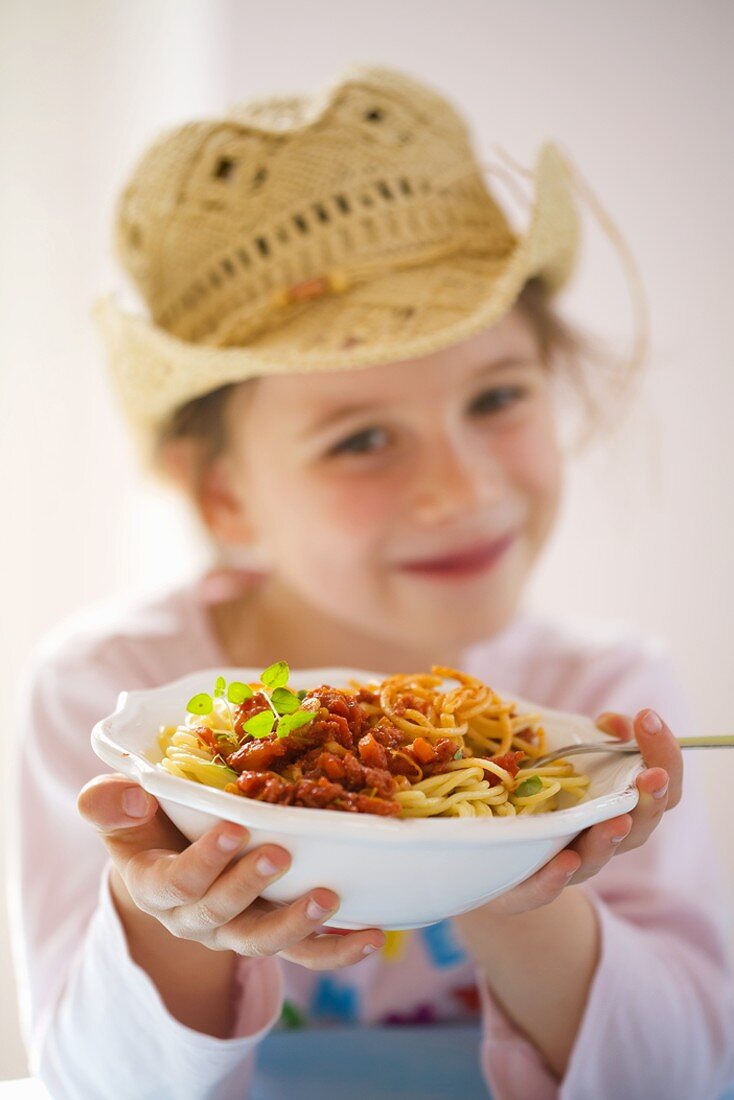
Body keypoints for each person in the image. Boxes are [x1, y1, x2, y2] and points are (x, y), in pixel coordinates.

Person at [9, 62, 734, 1100]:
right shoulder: (109, 692)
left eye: (495, 396)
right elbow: (90, 1084)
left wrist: (506, 864)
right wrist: (163, 918)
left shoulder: (601, 704)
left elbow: (680, 1074)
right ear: (224, 497)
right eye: (361, 438)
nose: (463, 484)